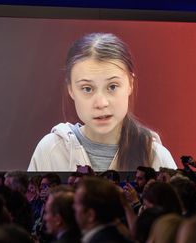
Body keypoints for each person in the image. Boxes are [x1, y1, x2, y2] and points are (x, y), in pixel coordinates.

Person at [28, 33, 177, 171]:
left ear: (130, 84)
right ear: (71, 90)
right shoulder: (50, 151)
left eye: (112, 87)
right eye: (87, 89)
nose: (101, 103)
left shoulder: (155, 157)